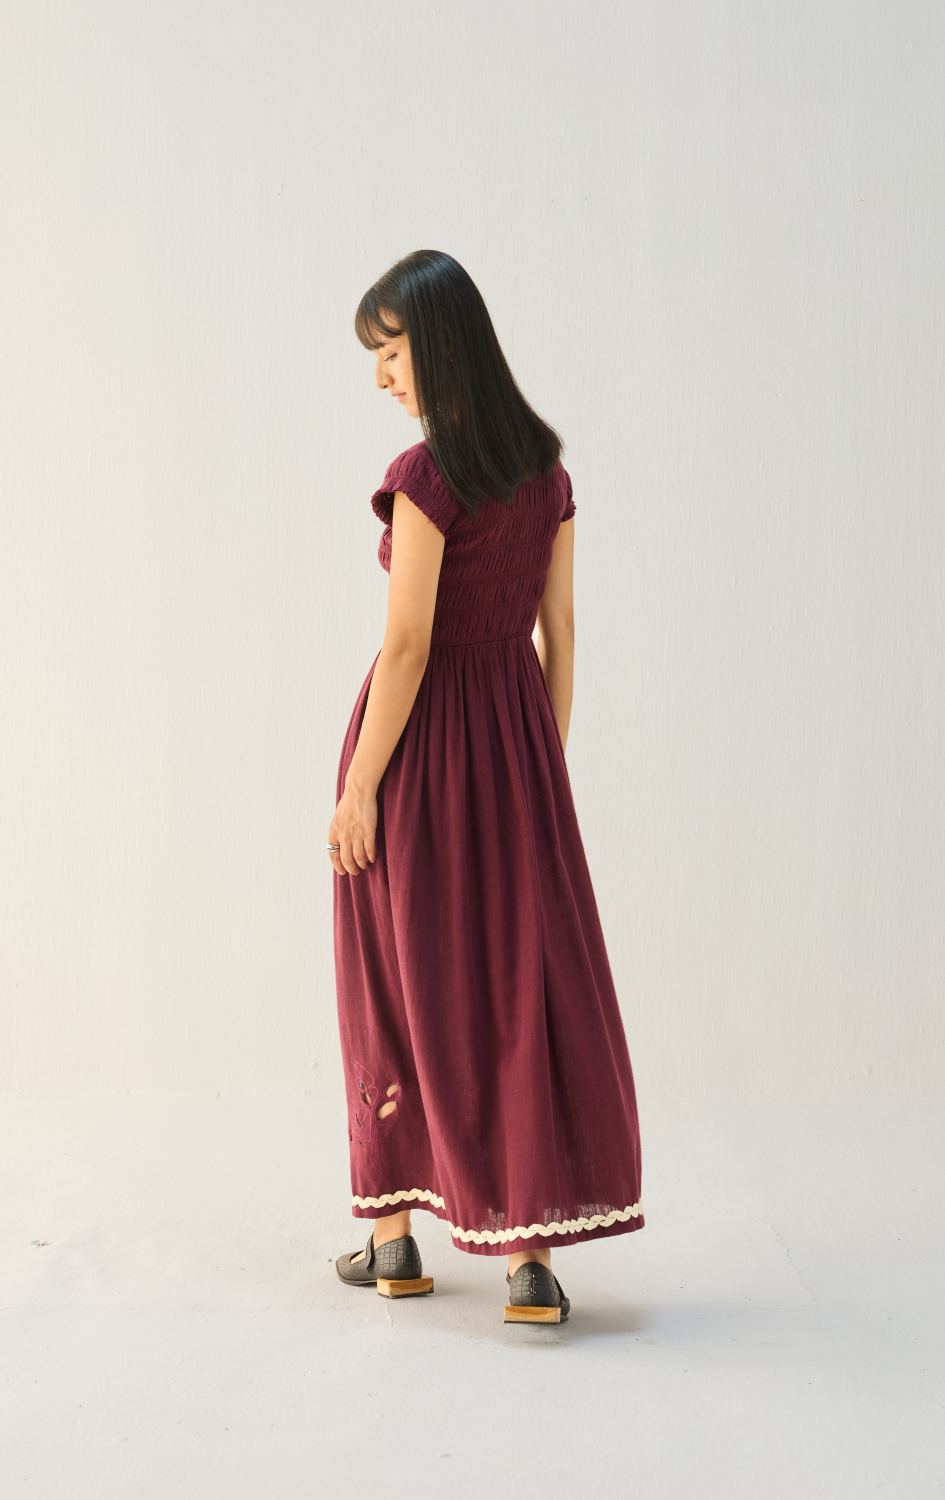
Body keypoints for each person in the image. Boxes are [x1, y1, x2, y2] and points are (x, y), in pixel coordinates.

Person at [328, 249, 643, 1325]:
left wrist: (360, 788)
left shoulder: (426, 478)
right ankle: (528, 1261)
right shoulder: (545, 472)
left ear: (438, 341)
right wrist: (539, 772)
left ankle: (394, 1242)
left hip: (416, 755)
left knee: (392, 977)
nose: (381, 376)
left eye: (390, 351)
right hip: (515, 750)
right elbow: (562, 636)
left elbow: (408, 646)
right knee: (513, 990)